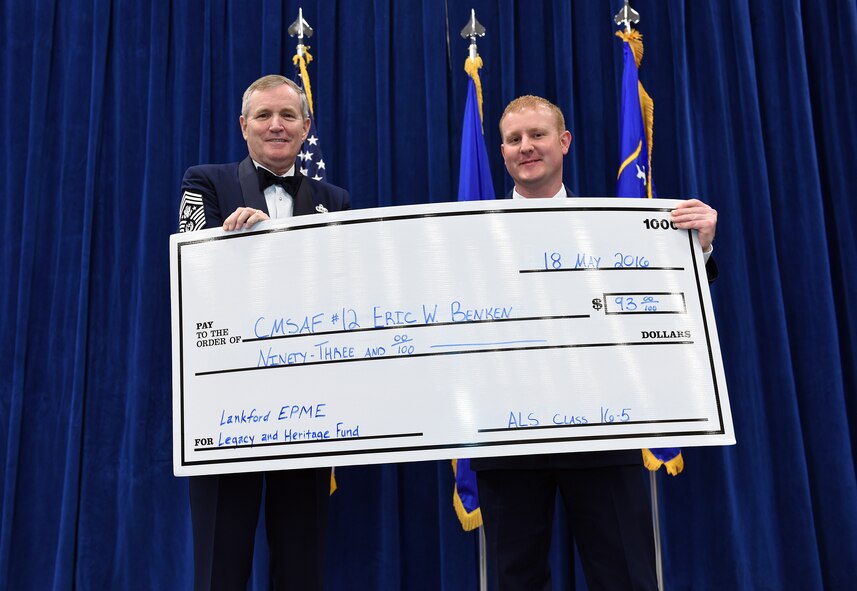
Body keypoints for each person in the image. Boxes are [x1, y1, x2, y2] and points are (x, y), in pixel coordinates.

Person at [471, 95, 718, 591]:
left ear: (563, 142)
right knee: (512, 581)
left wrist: (699, 246)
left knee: (627, 577)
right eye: (514, 139)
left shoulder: (618, 227)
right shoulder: (469, 237)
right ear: (501, 152)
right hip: (508, 437)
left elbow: (671, 302)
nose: (526, 147)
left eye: (537, 135)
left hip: (606, 431)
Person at [177, 74, 349, 591]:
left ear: (306, 127)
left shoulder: (335, 200)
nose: (276, 125)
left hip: (307, 406)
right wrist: (237, 239)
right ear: (244, 126)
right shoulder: (204, 181)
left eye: (288, 116)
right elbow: (193, 267)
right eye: (264, 116)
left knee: (301, 562)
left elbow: (344, 291)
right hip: (227, 404)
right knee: (220, 564)